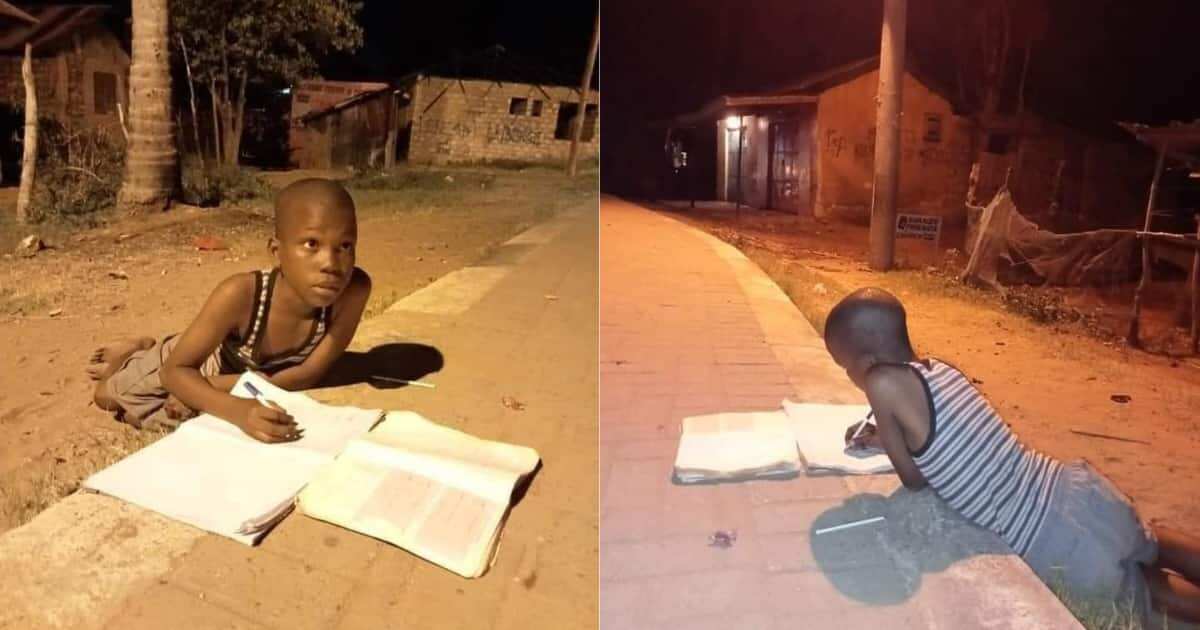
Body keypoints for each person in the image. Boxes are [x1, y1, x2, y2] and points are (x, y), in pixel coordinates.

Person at [823, 287, 1200, 625]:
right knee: (1153, 542)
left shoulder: (879, 381)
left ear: (868, 361)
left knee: (1148, 591)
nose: (849, 376)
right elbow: (947, 436)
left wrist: (888, 440)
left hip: (1047, 536)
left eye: (846, 367)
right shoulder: (940, 368)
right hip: (1076, 491)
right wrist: (882, 438)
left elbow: (915, 479)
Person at [87, 178, 372, 443]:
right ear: (277, 251)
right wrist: (238, 410)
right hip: (198, 363)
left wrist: (221, 388)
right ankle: (131, 354)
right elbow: (175, 373)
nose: (331, 264)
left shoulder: (353, 291)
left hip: (228, 379)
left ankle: (153, 355)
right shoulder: (241, 294)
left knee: (195, 421)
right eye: (312, 244)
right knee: (106, 398)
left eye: (345, 246)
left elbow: (309, 373)